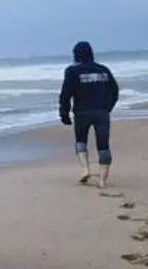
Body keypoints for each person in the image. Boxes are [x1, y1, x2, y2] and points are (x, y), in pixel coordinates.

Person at [58, 40, 120, 188]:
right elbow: (115, 91)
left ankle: (85, 169)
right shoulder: (103, 70)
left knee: (81, 142)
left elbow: (65, 94)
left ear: (76, 55)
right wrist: (107, 107)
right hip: (101, 112)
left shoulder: (72, 71)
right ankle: (103, 180)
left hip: (82, 112)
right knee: (103, 145)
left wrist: (64, 113)